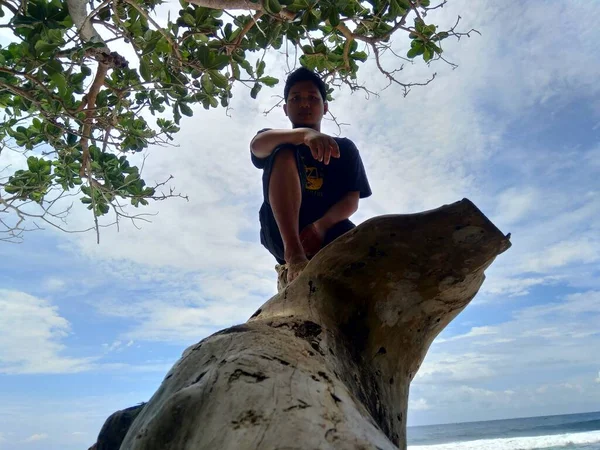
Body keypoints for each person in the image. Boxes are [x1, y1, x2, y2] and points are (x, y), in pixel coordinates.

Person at [250, 67, 372, 286]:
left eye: (312, 98)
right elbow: (257, 146)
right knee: (284, 150)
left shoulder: (344, 148)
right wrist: (305, 135)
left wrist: (321, 226)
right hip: (283, 234)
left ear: (325, 107)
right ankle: (294, 255)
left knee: (370, 245)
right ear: (286, 109)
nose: (304, 103)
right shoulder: (274, 139)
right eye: (296, 98)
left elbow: (351, 200)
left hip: (330, 231)